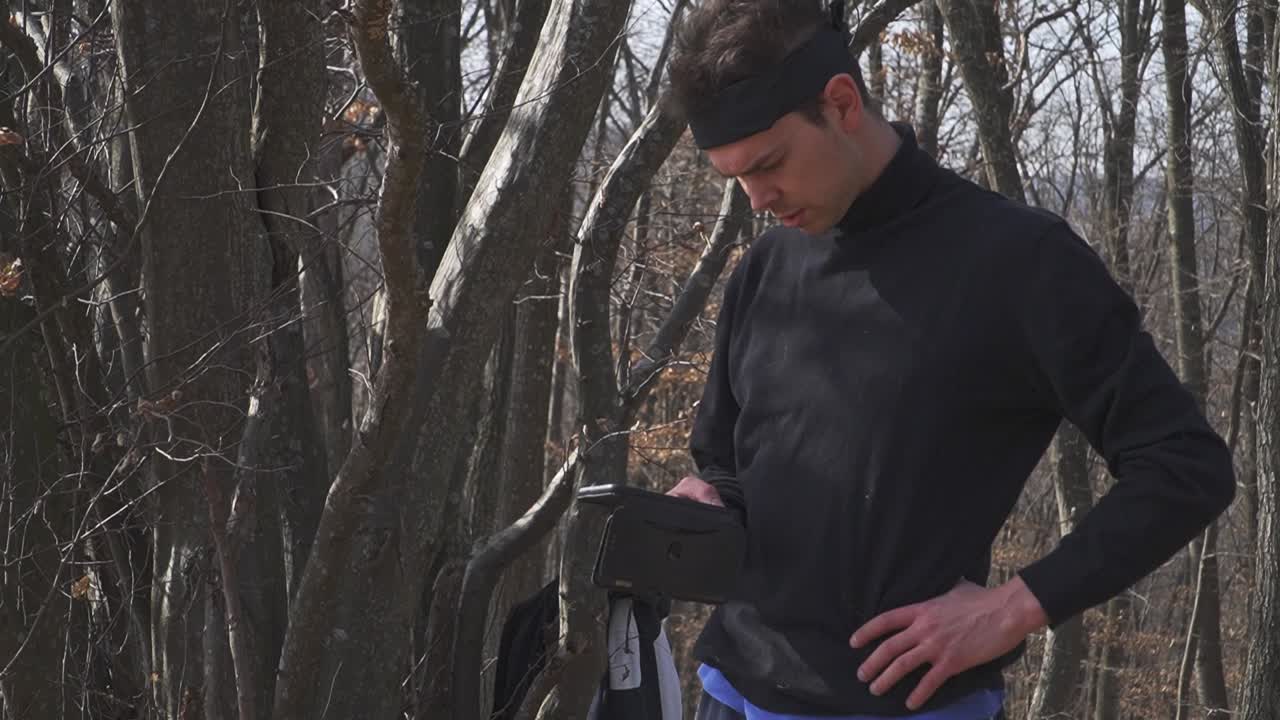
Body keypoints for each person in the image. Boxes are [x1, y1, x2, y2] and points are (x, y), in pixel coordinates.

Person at [662, 1, 1237, 718]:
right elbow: (725, 459)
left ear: (840, 102)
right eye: (735, 178)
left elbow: (1187, 466)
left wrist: (1017, 607)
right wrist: (710, 497)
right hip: (728, 689)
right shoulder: (767, 267)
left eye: (770, 164)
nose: (757, 197)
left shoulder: (1019, 262)